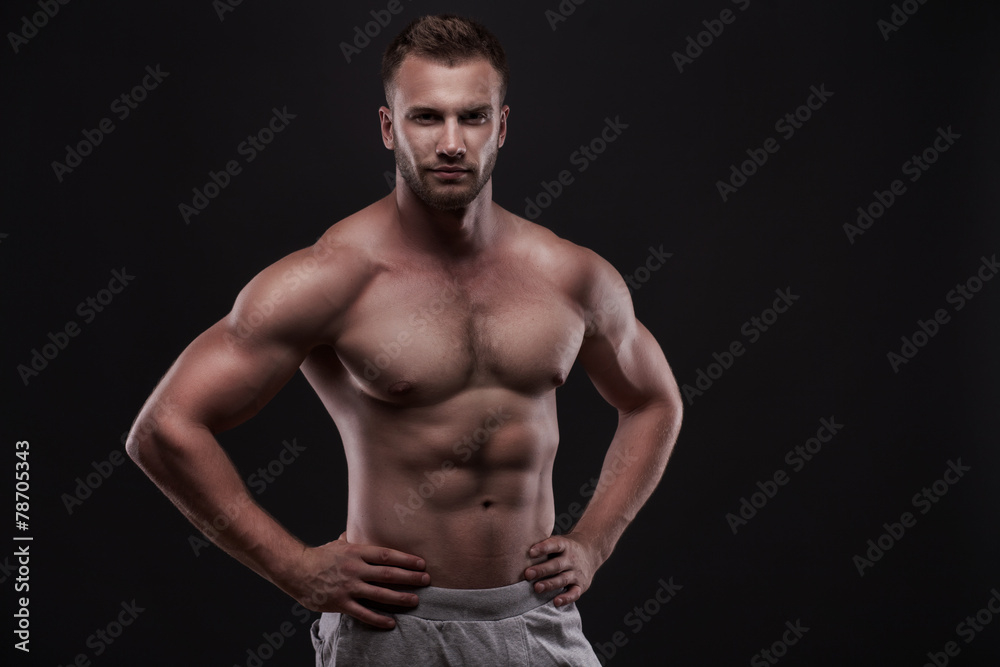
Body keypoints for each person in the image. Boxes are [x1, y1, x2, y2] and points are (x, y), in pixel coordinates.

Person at [126, 13, 682, 666]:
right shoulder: (331, 278)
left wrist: (595, 540)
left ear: (501, 126)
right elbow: (165, 427)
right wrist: (295, 569)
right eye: (426, 117)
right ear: (389, 128)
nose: (451, 142)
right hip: (392, 631)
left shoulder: (571, 275)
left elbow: (654, 401)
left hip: (537, 621)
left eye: (473, 116)